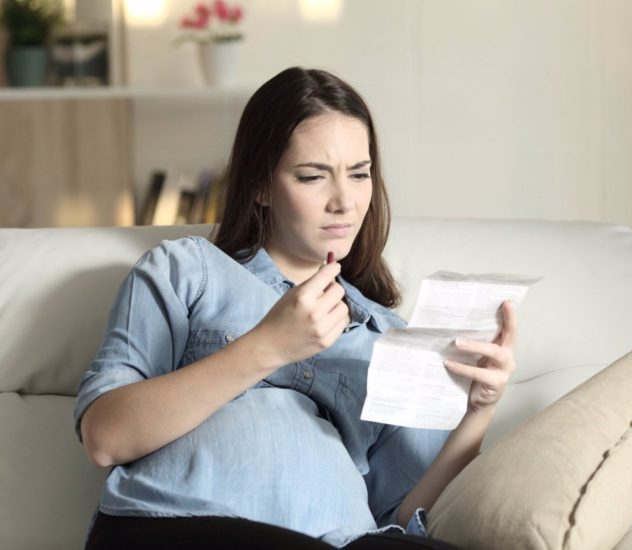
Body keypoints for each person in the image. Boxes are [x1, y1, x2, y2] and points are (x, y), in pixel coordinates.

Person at [73, 67, 518, 549]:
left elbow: (403, 512)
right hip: (180, 522)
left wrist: (477, 412)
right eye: (312, 176)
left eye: (360, 174)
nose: (344, 201)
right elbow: (106, 436)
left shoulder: (388, 335)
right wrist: (267, 346)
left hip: (341, 539)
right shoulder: (188, 270)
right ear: (261, 186)